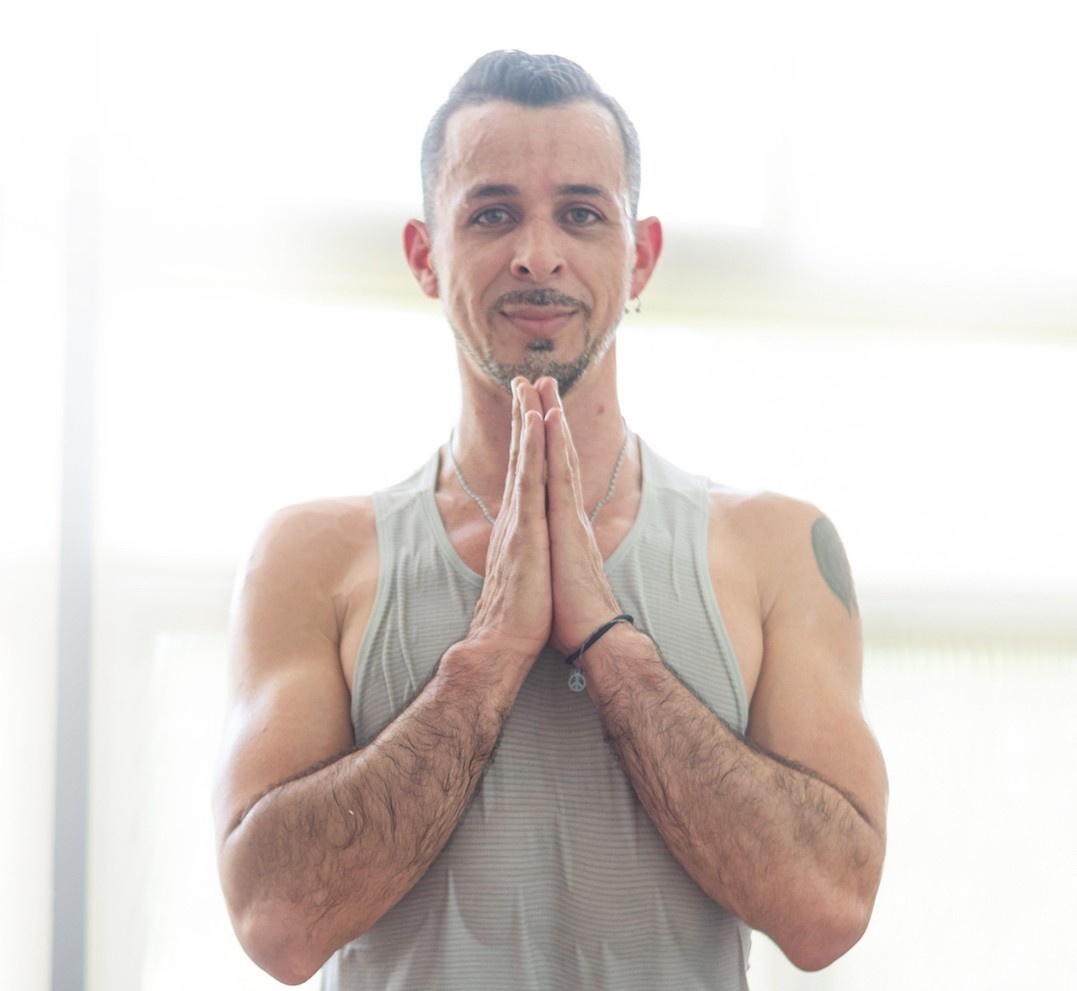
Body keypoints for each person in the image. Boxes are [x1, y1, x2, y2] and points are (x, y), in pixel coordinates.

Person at [212, 50, 888, 990]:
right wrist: (489, 655)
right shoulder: (308, 558)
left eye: (581, 213)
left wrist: (610, 643)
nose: (537, 253)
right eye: (492, 214)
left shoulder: (776, 548)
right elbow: (276, 923)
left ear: (640, 254)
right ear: (424, 255)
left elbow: (828, 909)